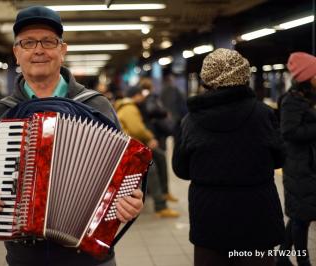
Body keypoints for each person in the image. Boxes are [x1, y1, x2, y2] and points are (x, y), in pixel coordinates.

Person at [0, 6, 144, 266]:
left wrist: (131, 201)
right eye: (28, 42)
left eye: (48, 41)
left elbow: (125, 175)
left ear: (62, 50)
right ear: (16, 53)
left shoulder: (97, 105)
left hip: (89, 255)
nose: (39, 50)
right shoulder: (1, 111)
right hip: (26, 257)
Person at [172, 48, 285, 266]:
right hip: (257, 215)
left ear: (207, 79)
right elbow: (280, 159)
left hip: (210, 218)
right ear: (244, 76)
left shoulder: (190, 121)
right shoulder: (263, 114)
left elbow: (181, 170)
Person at [115, 86, 179, 218]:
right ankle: (160, 206)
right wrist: (150, 138)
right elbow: (137, 129)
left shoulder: (129, 106)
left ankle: (164, 192)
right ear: (135, 95)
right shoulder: (129, 108)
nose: (143, 97)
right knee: (151, 169)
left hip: (135, 145)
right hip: (129, 149)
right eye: (140, 94)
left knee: (160, 156)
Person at [277, 52, 316, 266]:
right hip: (298, 166)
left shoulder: (308, 99)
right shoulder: (292, 101)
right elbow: (289, 132)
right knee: (302, 218)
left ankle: (281, 259)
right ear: (307, 77)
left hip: (308, 165)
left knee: (301, 216)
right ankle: (304, 262)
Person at [138, 77, 179, 202]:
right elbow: (152, 110)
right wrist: (163, 113)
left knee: (157, 161)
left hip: (151, 134)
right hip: (153, 134)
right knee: (158, 161)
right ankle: (162, 194)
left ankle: (161, 193)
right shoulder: (151, 97)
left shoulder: (142, 98)